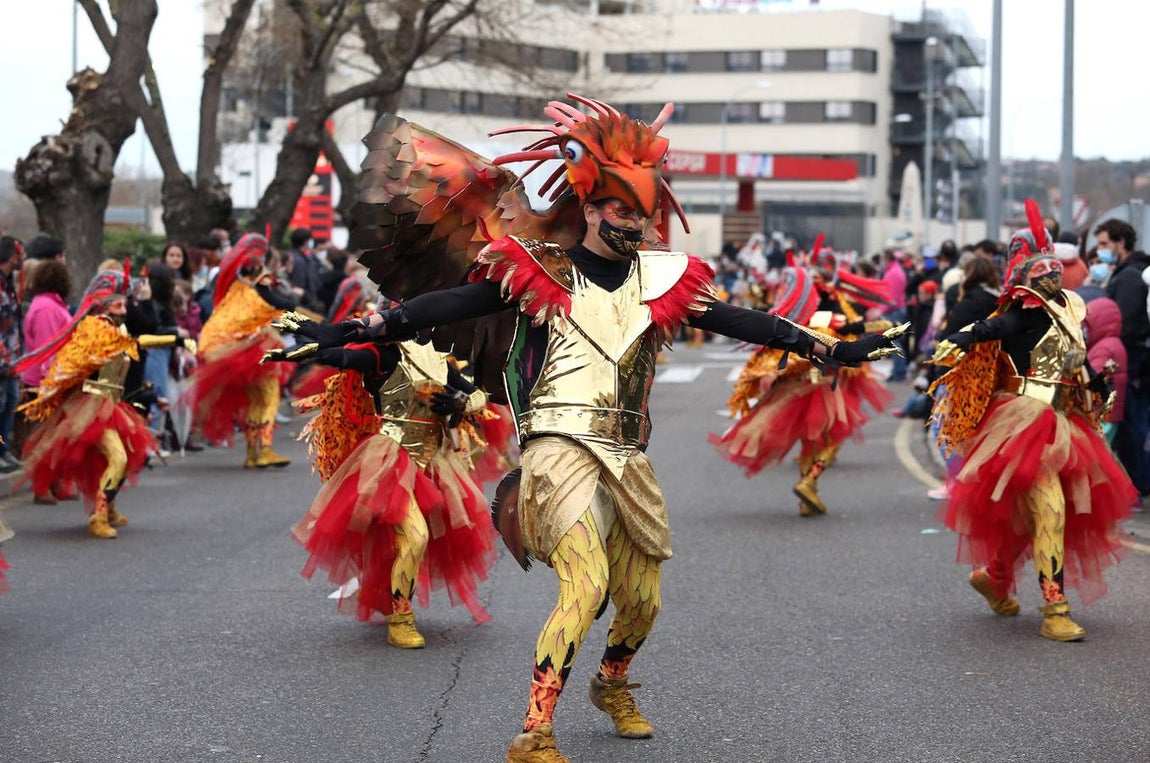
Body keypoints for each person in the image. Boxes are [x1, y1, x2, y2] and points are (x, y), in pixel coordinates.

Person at [274, 95, 903, 763]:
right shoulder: (542, 270)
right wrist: (363, 328)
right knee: (586, 582)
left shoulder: (663, 279)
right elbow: (459, 300)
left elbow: (740, 320)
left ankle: (612, 682)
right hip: (556, 449)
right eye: (618, 207)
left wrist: (827, 348)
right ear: (591, 208)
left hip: (627, 456)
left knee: (644, 602)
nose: (631, 219)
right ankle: (534, 729)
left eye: (639, 209)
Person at [930, 201, 1135, 642]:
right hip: (1025, 424)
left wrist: (1097, 387)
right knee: (1050, 510)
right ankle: (1055, 608)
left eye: (1055, 271)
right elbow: (992, 327)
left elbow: (1074, 369)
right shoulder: (1022, 314)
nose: (1053, 278)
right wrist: (958, 340)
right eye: (1044, 273)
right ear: (1028, 280)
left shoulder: (1071, 314)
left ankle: (994, 576)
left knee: (1034, 519)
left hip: (1066, 420)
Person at [281, 338, 497, 647]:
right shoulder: (383, 354)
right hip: (391, 461)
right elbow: (344, 357)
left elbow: (479, 397)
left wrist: (460, 401)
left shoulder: (435, 358)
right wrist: (311, 349)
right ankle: (401, 619)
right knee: (415, 536)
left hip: (434, 460)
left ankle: (388, 593)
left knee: (405, 541)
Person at [712, 251, 896, 516]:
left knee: (811, 440)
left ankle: (807, 492)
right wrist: (876, 327)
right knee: (832, 437)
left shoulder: (789, 319)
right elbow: (844, 330)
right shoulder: (819, 317)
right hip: (820, 384)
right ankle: (809, 481)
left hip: (796, 385)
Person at [15, 269, 191, 538]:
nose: (124, 307)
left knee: (127, 457)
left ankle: (107, 509)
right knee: (118, 457)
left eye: (123, 302)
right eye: (118, 302)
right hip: (91, 407)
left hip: (113, 404)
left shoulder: (116, 329)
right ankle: (97, 516)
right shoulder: (94, 329)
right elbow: (103, 352)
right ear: (104, 304)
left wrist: (175, 339)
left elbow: (134, 342)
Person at [186, 234, 291, 469]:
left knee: (255, 402)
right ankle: (264, 449)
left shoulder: (233, 292)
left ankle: (252, 454)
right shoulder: (253, 294)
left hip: (245, 356)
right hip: (257, 353)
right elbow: (281, 307)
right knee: (269, 399)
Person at [1096, 218, 1150, 495]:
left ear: (1120, 242)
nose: (1100, 250)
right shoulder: (1127, 273)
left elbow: (1125, 323)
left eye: (1105, 243)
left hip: (1130, 361)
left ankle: (1139, 482)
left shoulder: (1128, 277)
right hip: (1131, 360)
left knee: (1132, 424)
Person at [20, 259, 75, 503]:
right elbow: (47, 348)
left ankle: (55, 482)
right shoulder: (47, 308)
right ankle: (42, 486)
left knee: (55, 435)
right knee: (46, 436)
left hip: (52, 378)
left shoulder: (49, 305)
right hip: (46, 381)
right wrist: (50, 383)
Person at [0, 236, 24, 473]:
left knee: (10, 403)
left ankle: (3, 449)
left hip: (12, 360)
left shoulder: (8, 284)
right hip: (1, 361)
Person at [287, 228, 324, 313]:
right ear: (305, 242)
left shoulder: (295, 256)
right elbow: (300, 286)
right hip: (303, 307)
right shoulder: (299, 261)